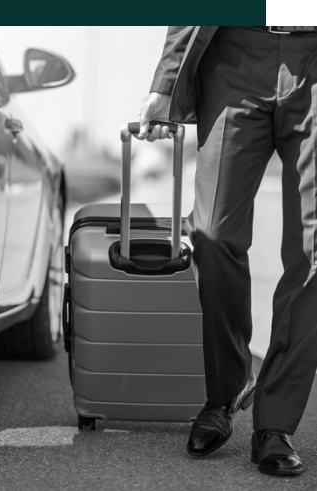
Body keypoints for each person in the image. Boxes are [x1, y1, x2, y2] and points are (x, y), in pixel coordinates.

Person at [136, 26, 317, 476]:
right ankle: (229, 385)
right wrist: (166, 82)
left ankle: (275, 424)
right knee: (212, 234)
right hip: (236, 52)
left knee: (314, 255)